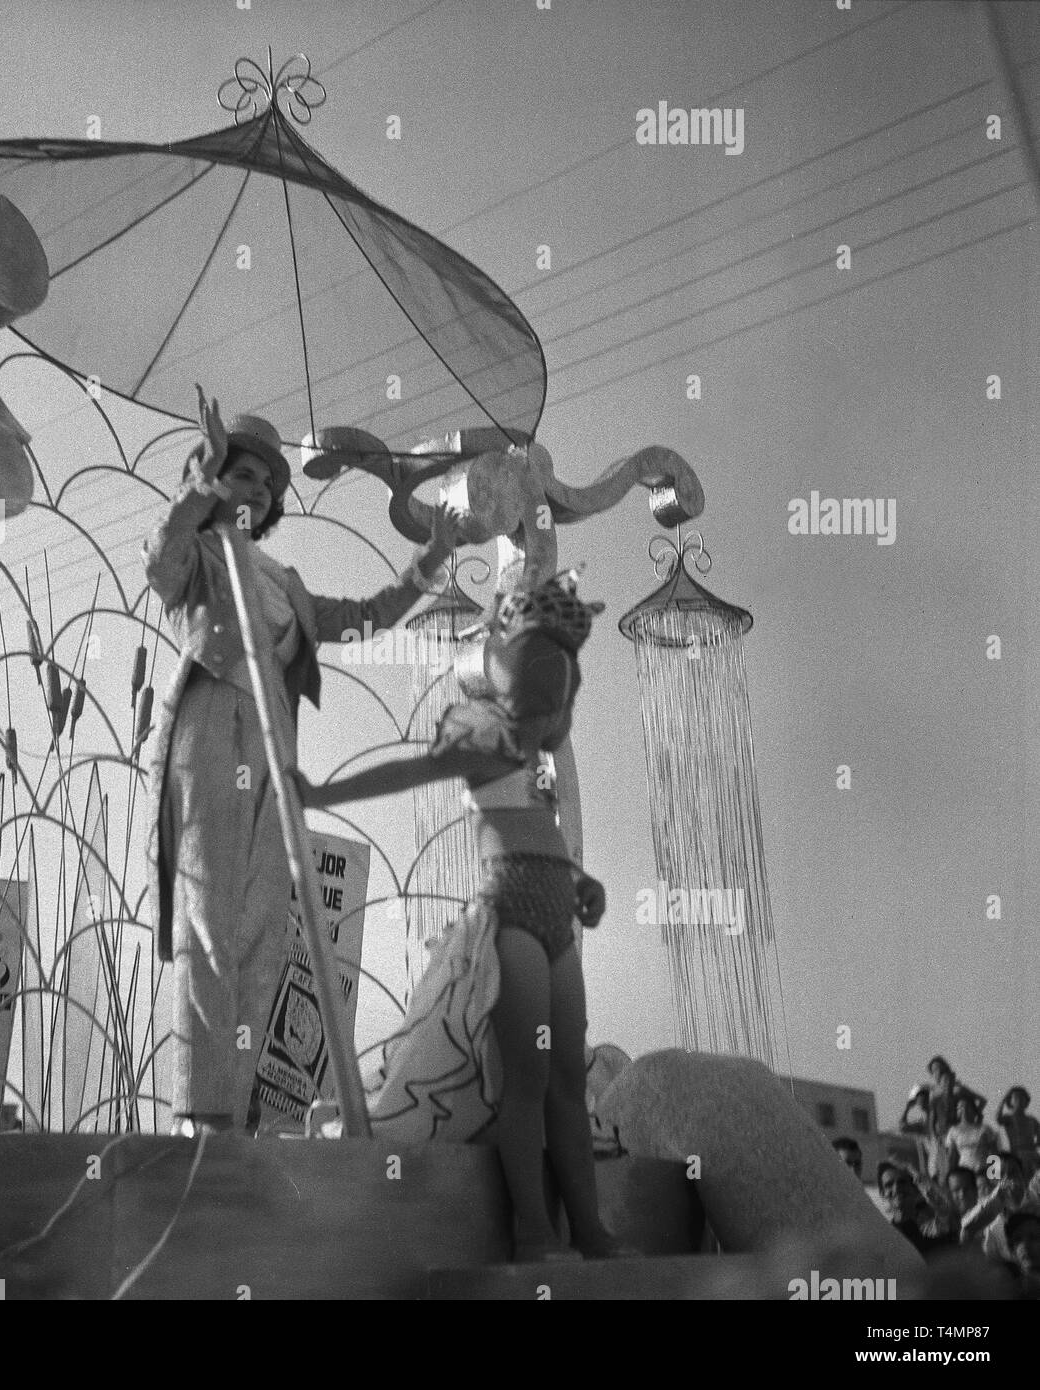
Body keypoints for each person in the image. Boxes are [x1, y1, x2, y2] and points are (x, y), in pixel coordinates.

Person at [142, 389, 461, 1134]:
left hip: (273, 744)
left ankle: (234, 1111)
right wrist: (197, 489)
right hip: (210, 725)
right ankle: (198, 1113)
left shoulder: (282, 581)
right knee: (210, 917)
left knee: (262, 928)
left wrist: (432, 558)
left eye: (265, 482)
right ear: (213, 473)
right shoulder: (200, 555)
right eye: (241, 474)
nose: (255, 490)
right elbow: (160, 562)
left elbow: (366, 616)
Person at [299, 571, 625, 1261]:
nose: (547, 718)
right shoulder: (481, 740)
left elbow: (541, 831)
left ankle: (589, 1228)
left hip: (555, 910)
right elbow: (404, 774)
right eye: (538, 700)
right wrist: (322, 789)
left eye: (555, 705)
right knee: (527, 1082)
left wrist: (581, 879)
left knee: (567, 1078)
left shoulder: (530, 758)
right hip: (509, 913)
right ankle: (532, 1230)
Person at [876, 1161, 956, 1256]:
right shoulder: (885, 1236)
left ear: (915, 1188)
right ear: (882, 1194)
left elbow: (944, 1206)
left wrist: (913, 1171)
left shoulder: (932, 1227)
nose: (896, 1188)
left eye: (902, 1182)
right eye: (889, 1185)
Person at [946, 1095, 1000, 1174]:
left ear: (974, 1110)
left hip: (983, 1170)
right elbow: (951, 1157)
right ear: (957, 1111)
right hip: (964, 1172)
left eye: (967, 1107)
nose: (964, 1109)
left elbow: (994, 1153)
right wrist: (950, 1175)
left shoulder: (985, 1129)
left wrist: (995, 1174)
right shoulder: (953, 1131)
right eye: (960, 1107)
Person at [997, 1087, 1040, 1180]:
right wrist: (1003, 1100)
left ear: (1026, 1102)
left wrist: (1033, 1146)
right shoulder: (1008, 1118)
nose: (1019, 1101)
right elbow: (998, 1119)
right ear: (1010, 1101)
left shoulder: (1032, 1120)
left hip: (1032, 1155)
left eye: (1022, 1098)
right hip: (1016, 1154)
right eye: (1016, 1098)